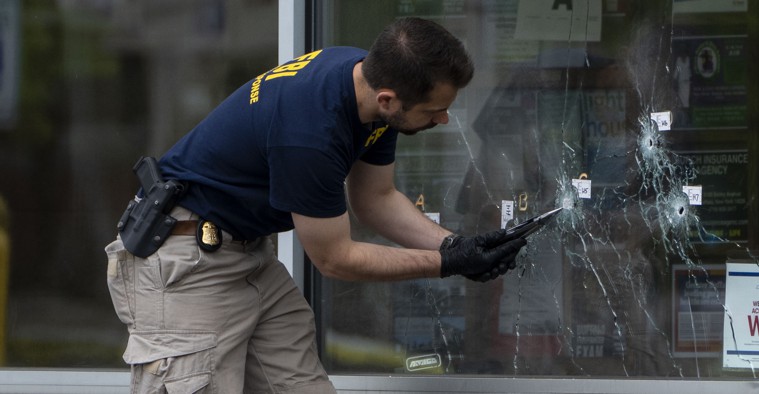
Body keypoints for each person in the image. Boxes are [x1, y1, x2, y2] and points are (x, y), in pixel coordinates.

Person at [105, 17, 527, 393]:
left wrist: (456, 246)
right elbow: (334, 258)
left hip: (243, 252)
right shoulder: (311, 133)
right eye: (435, 111)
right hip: (186, 264)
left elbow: (376, 200)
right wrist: (446, 265)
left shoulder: (366, 80)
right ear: (388, 99)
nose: (443, 120)